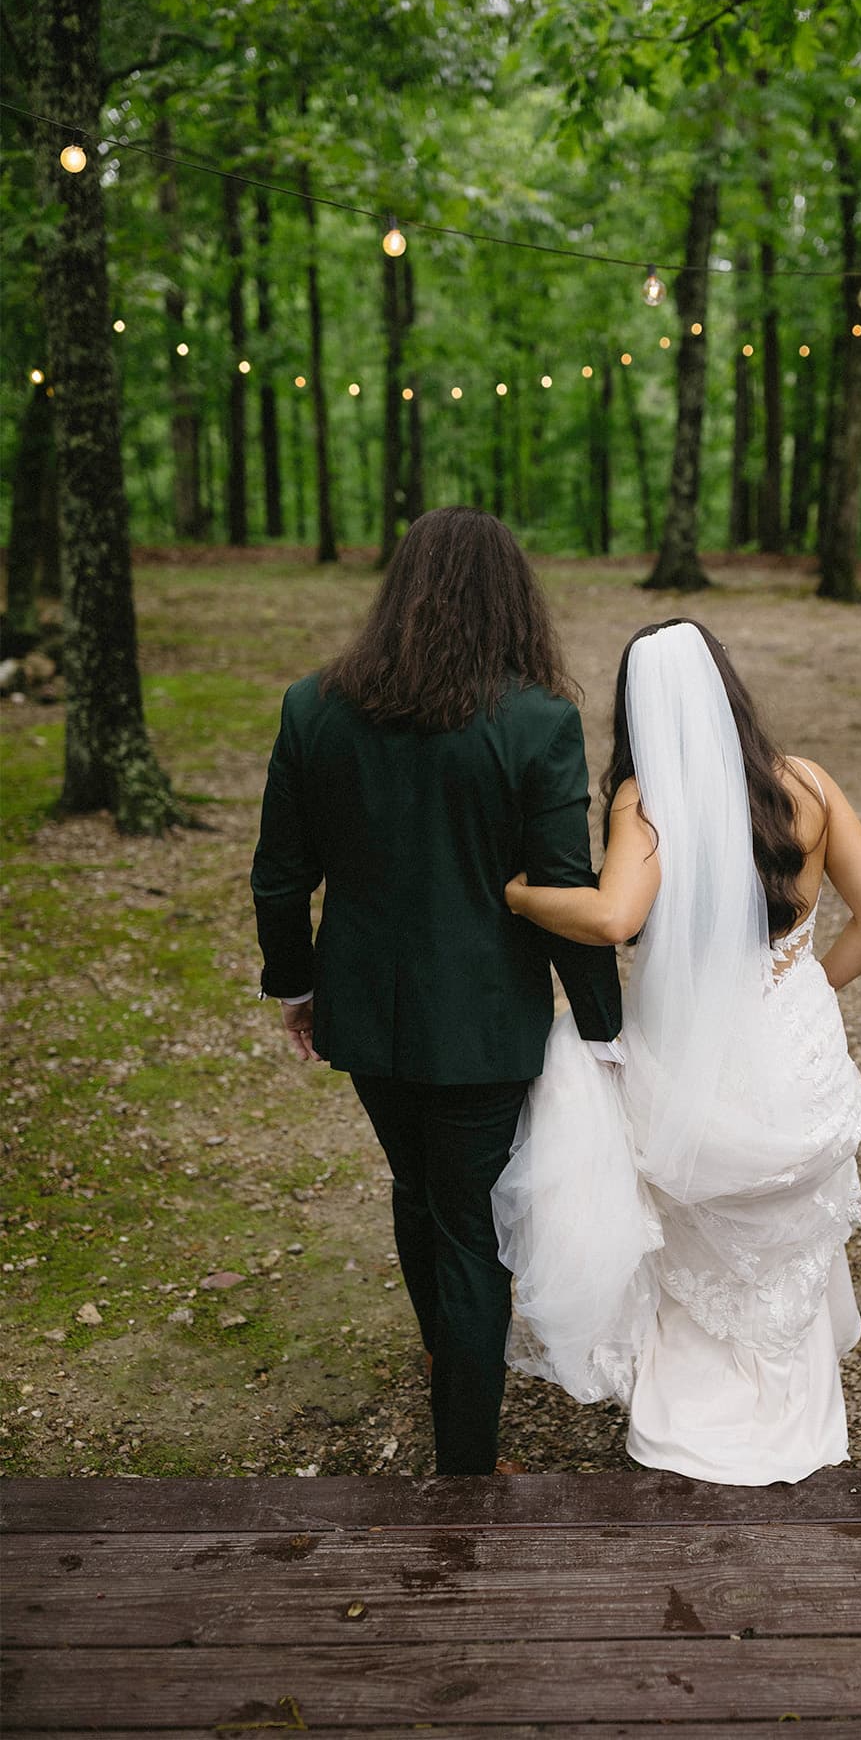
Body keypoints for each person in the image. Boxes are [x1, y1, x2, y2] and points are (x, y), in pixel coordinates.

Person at [250, 507, 622, 1477]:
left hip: (363, 1012)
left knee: (419, 1187)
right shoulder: (537, 725)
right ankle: (466, 1458)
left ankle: (445, 1350)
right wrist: (605, 1027)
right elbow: (564, 892)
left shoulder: (313, 708)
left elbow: (281, 876)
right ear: (511, 601)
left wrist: (298, 985)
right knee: (464, 1217)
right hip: (485, 1022)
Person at [493, 617, 861, 1485]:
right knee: (782, 1234)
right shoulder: (809, 785)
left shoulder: (649, 800)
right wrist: (809, 989)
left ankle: (698, 1406)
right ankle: (793, 1406)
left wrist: (524, 898)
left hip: (704, 1084)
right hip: (799, 1070)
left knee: (593, 1081)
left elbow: (612, 919)